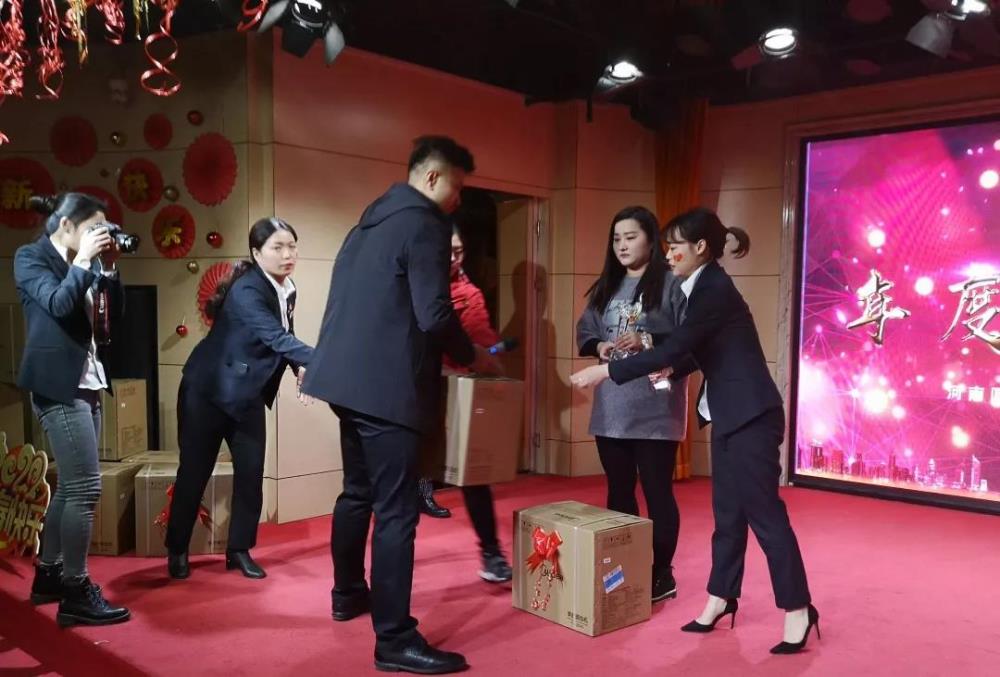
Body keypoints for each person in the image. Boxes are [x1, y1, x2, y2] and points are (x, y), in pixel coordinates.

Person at [570, 207, 819, 655]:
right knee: (728, 514)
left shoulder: (713, 289)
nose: (668, 255)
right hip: (728, 414)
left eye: (675, 247)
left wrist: (605, 372)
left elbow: (680, 345)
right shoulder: (700, 286)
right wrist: (664, 368)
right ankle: (721, 597)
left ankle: (799, 607)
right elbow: (691, 352)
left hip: (752, 417)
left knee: (764, 515)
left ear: (700, 247)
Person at [302, 136, 500, 675]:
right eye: (457, 186)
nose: (459, 199)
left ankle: (348, 593)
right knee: (396, 511)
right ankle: (394, 639)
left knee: (357, 493)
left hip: (344, 381)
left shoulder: (367, 223)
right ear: (432, 177)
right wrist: (474, 356)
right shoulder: (424, 223)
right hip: (389, 388)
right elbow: (434, 314)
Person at [165, 218, 313, 581]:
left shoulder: (287, 288)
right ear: (257, 253)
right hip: (207, 392)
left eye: (292, 246)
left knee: (251, 474)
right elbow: (275, 336)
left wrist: (300, 367)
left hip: (247, 393)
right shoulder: (247, 290)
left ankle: (238, 550)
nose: (287, 254)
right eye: (278, 247)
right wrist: (328, 360)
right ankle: (177, 549)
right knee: (194, 473)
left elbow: (286, 334)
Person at [15, 193, 131, 627]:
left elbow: (114, 319)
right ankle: (76, 591)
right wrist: (83, 260)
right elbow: (59, 304)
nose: (100, 236)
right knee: (85, 488)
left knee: (70, 487)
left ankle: (49, 576)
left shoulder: (89, 263)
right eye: (93, 228)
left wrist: (110, 268)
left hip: (88, 381)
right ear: (65, 225)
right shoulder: (31, 258)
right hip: (57, 386)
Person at [575, 205, 689, 603]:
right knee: (619, 491)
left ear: (651, 240)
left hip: (656, 408)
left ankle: (662, 573)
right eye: (616, 239)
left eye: (630, 237)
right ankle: (624, 565)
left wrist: (649, 341)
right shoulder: (607, 286)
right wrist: (600, 346)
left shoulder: (673, 284)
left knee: (658, 492)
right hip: (612, 408)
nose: (622, 246)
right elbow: (586, 331)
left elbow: (691, 340)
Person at [436, 225, 513, 583]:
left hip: (455, 387)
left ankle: (491, 552)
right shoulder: (410, 284)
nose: (454, 258)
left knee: (474, 474)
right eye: (447, 251)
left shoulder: (469, 293)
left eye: (459, 251)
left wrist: (488, 362)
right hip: (411, 388)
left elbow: (481, 336)